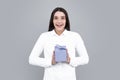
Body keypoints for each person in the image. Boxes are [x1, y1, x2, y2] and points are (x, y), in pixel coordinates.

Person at [29, 7, 89, 80]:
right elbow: (31, 59)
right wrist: (50, 62)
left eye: (62, 18)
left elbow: (85, 59)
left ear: (66, 20)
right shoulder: (44, 37)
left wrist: (70, 60)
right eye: (56, 18)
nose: (59, 21)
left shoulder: (75, 36)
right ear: (52, 20)